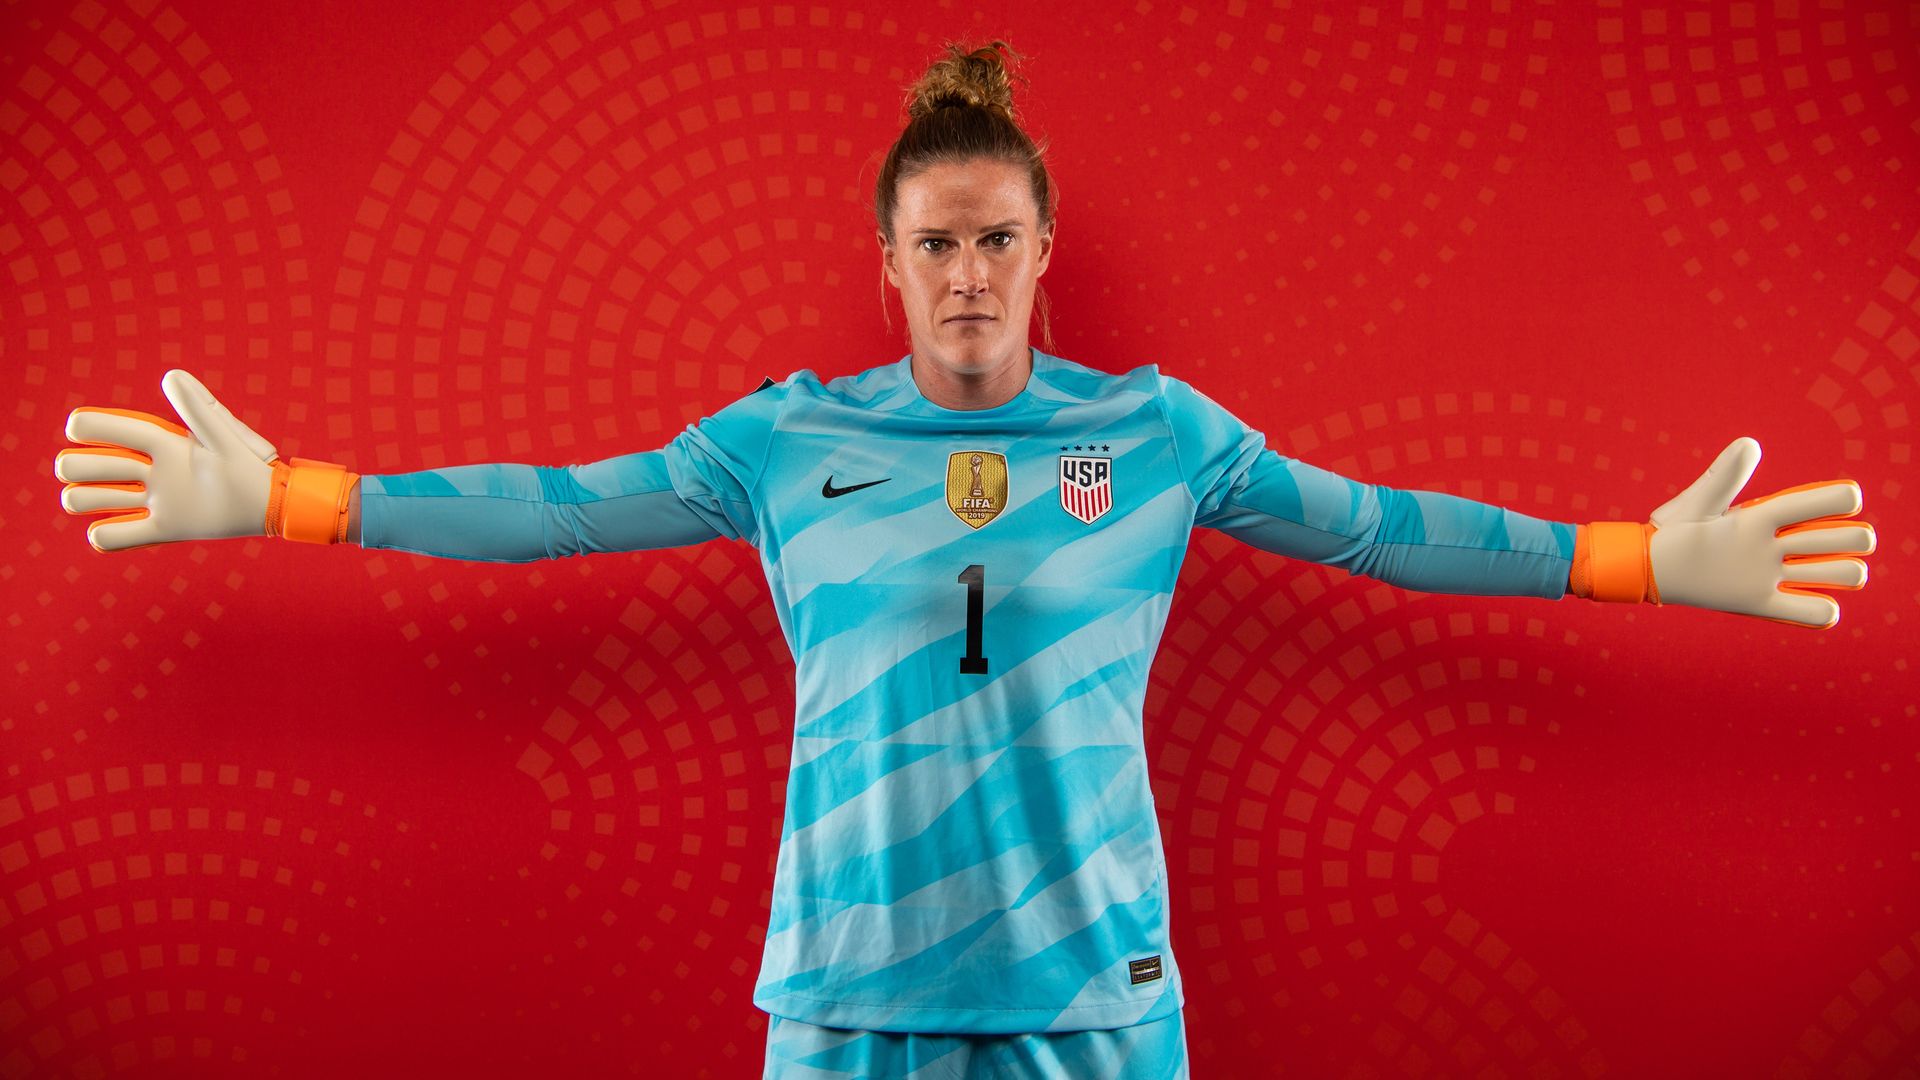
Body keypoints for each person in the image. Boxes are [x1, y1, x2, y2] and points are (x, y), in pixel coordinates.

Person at [53, 39, 1876, 1080]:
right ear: (889, 264)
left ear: (1046, 242)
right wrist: (298, 498)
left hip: (1095, 1002)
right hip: (848, 999)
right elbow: (560, 501)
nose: (971, 279)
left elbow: (1378, 531)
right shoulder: (785, 442)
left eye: (998, 239)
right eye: (936, 248)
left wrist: (1634, 558)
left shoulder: (1156, 435)